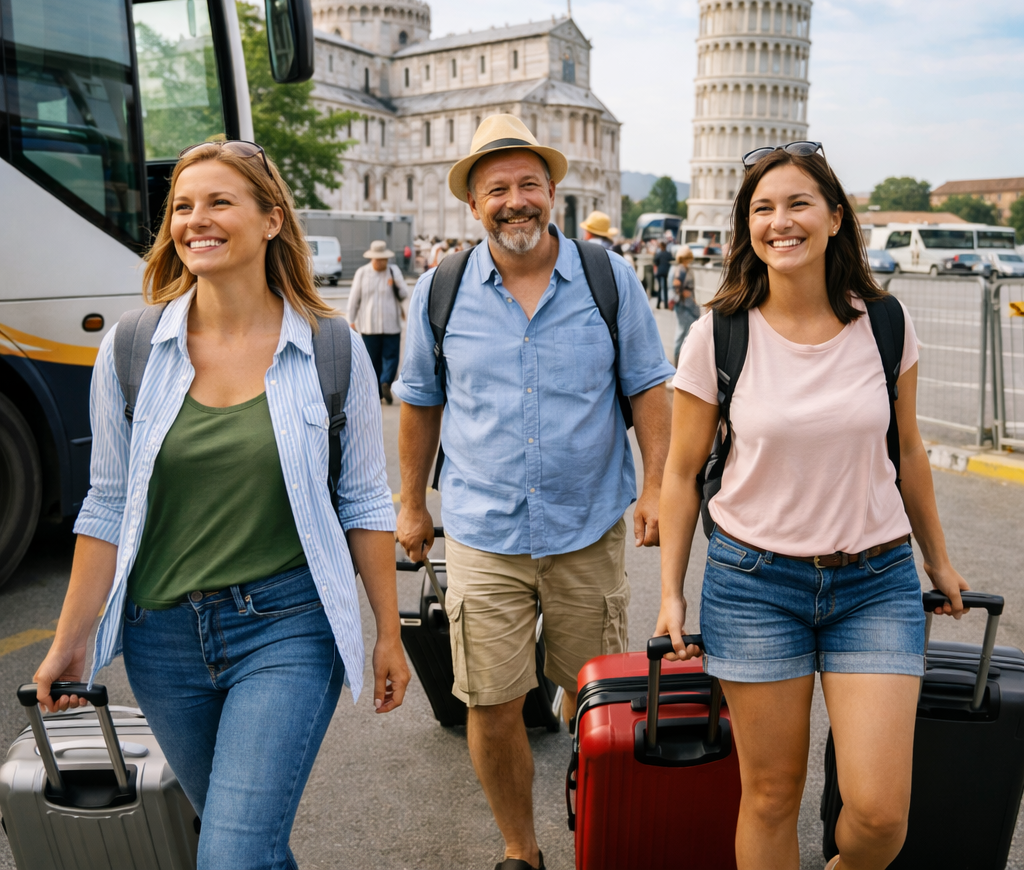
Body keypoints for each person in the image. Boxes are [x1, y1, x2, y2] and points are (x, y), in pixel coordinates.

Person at [32, 140, 410, 870]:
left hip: (286, 628)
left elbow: (364, 499)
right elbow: (105, 506)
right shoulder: (132, 348)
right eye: (181, 206)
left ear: (272, 221)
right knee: (252, 848)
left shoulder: (333, 349)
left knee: (231, 855)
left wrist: (387, 631)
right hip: (161, 640)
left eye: (218, 202)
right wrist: (70, 640)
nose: (194, 220)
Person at [655, 142, 969, 870]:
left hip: (876, 582)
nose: (780, 221)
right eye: (762, 209)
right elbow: (681, 472)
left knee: (880, 815)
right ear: (747, 228)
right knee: (769, 794)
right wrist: (671, 593)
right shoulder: (718, 334)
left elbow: (910, 453)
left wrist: (940, 562)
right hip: (754, 584)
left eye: (798, 203)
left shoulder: (885, 324)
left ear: (834, 217)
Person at [394, 114, 674, 870]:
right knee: (489, 701)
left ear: (553, 191)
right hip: (483, 532)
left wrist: (656, 487)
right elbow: (420, 401)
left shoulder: (607, 277)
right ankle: (522, 847)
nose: (514, 201)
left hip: (587, 528)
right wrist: (412, 504)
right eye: (497, 190)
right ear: (473, 205)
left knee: (602, 704)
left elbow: (649, 385)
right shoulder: (439, 291)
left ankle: (603, 835)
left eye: (527, 185)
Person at [348, 239, 409, 405]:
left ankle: (386, 383)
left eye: (384, 259)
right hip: (369, 326)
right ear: (372, 258)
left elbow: (404, 294)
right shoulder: (362, 272)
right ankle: (377, 391)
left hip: (391, 325)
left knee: (391, 357)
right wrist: (351, 320)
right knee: (372, 359)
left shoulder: (393, 270)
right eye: (378, 259)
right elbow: (354, 299)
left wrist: (395, 282)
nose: (381, 262)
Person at [670, 246, 700, 365]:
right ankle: (678, 361)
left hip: (687, 304)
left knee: (685, 332)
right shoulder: (681, 269)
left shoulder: (683, 268)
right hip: (684, 305)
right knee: (683, 332)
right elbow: (677, 284)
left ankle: (680, 360)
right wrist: (684, 293)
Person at [653, 239, 672, 308]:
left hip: (660, 272)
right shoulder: (668, 254)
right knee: (665, 288)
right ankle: (666, 305)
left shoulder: (659, 254)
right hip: (667, 272)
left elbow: (655, 261)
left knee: (660, 288)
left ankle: (658, 304)